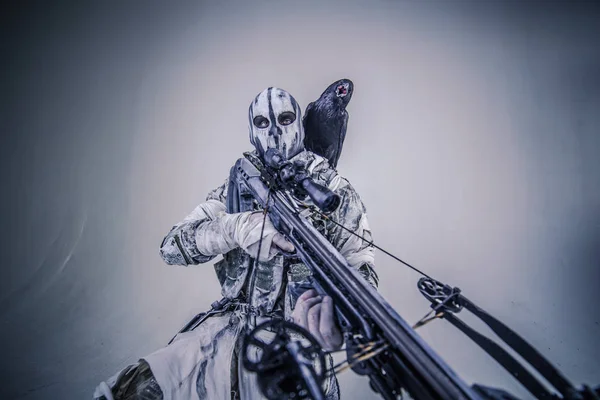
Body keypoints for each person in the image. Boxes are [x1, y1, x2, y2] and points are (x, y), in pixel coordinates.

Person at [94, 87, 378, 400]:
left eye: (284, 119)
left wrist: (341, 315)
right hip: (222, 336)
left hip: (295, 348)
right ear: (250, 130)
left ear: (298, 122)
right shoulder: (238, 186)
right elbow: (171, 247)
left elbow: (361, 265)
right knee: (130, 391)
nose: (274, 132)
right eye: (262, 122)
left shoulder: (336, 191)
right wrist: (235, 227)